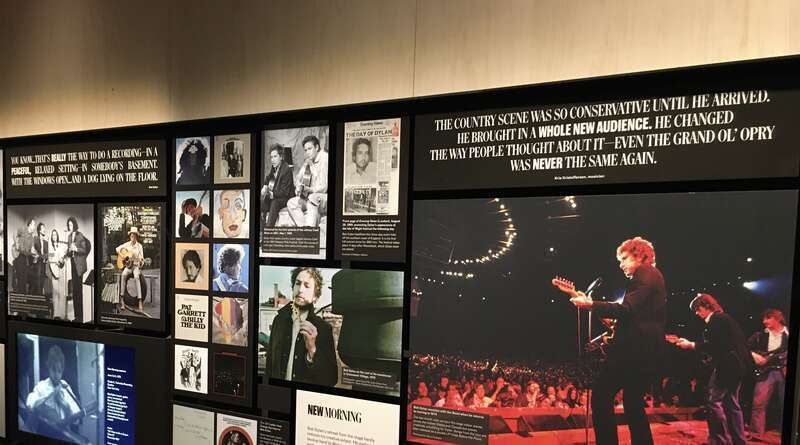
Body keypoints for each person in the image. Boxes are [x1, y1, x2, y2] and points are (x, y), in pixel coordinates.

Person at [570, 236, 666, 445]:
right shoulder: (652, 276)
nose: (620, 264)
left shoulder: (645, 272)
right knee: (633, 404)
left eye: (624, 258)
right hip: (644, 352)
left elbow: (627, 310)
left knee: (601, 397)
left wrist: (591, 304)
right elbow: (634, 315)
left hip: (633, 352)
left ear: (639, 255)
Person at [675, 294, 750, 445]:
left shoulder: (717, 320)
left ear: (707, 306)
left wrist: (691, 345)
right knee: (732, 404)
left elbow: (717, 345)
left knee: (714, 402)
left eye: (698, 308)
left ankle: (720, 440)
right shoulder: (726, 319)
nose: (697, 313)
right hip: (738, 366)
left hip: (727, 366)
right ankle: (739, 441)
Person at [265, 267, 337, 385]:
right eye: (298, 284)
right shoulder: (279, 320)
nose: (300, 289)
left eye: (307, 286)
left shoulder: (323, 328)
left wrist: (312, 349)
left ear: (315, 296)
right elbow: (270, 364)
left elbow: (331, 379)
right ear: (293, 288)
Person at [25, 345, 84, 441]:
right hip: (45, 435)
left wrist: (64, 404)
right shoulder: (42, 386)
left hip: (64, 436)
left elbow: (76, 420)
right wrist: (50, 395)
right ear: (48, 367)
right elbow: (30, 404)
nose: (56, 374)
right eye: (54, 370)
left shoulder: (66, 386)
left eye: (59, 371)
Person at [747, 308, 788, 439]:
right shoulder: (760, 335)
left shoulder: (789, 334)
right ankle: (756, 433)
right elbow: (745, 347)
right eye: (764, 318)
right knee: (758, 403)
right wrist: (754, 356)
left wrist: (773, 358)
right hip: (766, 371)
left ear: (778, 319)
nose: (764, 321)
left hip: (784, 370)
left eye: (768, 318)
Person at [286, 135, 328, 227]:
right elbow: (298, 177)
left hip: (324, 197)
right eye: (305, 150)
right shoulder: (309, 161)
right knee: (291, 203)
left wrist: (309, 189)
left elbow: (323, 187)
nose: (307, 152)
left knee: (312, 198)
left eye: (310, 149)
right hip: (310, 196)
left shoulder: (325, 159)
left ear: (316, 147)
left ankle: (310, 229)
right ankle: (305, 229)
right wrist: (298, 186)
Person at [260, 144, 295, 228]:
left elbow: (285, 192)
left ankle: (268, 230)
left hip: (285, 198)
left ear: (281, 157)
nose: (272, 160)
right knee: (259, 203)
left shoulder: (286, 169)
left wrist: (273, 195)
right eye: (271, 157)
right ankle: (261, 230)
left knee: (274, 203)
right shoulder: (274, 167)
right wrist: (265, 185)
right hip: (276, 196)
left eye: (275, 156)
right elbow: (269, 178)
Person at [66, 217, 91, 322]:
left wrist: (75, 248)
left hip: (79, 265)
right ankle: (76, 316)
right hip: (72, 263)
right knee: (74, 290)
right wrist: (68, 250)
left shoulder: (79, 235)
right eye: (68, 225)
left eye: (71, 225)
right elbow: (69, 252)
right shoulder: (68, 236)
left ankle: (80, 316)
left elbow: (84, 249)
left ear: (74, 225)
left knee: (78, 290)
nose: (69, 227)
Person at [116, 227, 145, 312]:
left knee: (136, 277)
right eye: (131, 236)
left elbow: (142, 259)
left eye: (134, 236)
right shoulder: (127, 244)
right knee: (123, 275)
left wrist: (141, 263)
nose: (133, 238)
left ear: (137, 237)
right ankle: (122, 299)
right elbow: (117, 249)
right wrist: (123, 257)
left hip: (135, 266)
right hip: (128, 267)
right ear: (130, 236)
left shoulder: (139, 246)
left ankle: (139, 300)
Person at [46, 230, 69, 319]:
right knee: (55, 293)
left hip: (61, 270)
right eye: (53, 235)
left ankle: (62, 315)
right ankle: (56, 314)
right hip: (54, 271)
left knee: (62, 293)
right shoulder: (50, 247)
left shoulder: (61, 246)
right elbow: (50, 259)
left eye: (55, 234)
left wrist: (62, 260)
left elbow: (64, 257)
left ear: (57, 236)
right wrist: (56, 261)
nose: (54, 236)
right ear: (51, 237)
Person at [13, 218, 36, 294]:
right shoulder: (22, 229)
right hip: (19, 257)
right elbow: (15, 232)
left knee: (24, 280)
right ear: (29, 225)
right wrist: (16, 243)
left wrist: (34, 253)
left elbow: (32, 249)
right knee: (20, 280)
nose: (34, 227)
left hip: (26, 260)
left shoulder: (32, 238)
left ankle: (23, 299)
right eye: (33, 224)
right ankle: (20, 299)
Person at [32, 222, 48, 296]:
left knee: (41, 284)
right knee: (37, 285)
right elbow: (32, 251)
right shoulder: (35, 239)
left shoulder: (46, 243)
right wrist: (35, 256)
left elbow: (47, 255)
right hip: (36, 266)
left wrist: (45, 257)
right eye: (43, 228)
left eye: (45, 228)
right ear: (39, 230)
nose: (44, 229)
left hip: (43, 266)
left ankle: (40, 299)